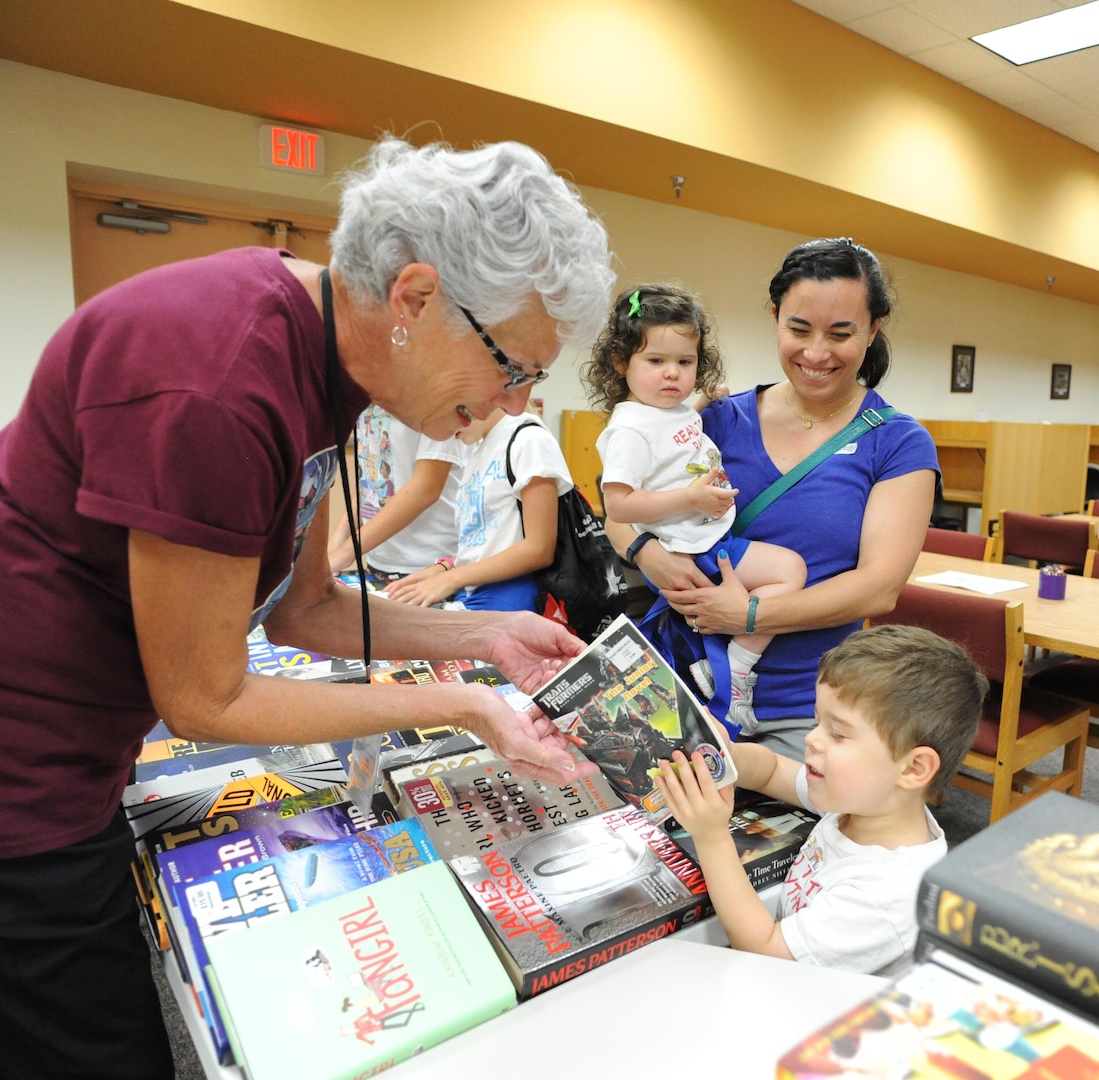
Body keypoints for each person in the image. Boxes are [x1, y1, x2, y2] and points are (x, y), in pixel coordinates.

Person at [0, 135, 613, 1079]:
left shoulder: (333, 361)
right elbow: (208, 701)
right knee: (75, 1048)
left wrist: (484, 636)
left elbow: (299, 609)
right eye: (512, 363)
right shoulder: (222, 374)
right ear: (417, 299)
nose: (514, 400)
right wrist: (464, 702)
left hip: (74, 733)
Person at [606, 238, 938, 760]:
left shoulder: (898, 442)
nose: (816, 352)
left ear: (874, 329)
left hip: (809, 708)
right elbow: (621, 512)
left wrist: (750, 617)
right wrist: (651, 556)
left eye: (842, 333)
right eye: (799, 329)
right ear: (775, 316)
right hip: (686, 683)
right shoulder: (715, 417)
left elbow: (878, 588)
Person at [656, 624, 985, 974]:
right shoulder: (860, 804)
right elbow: (772, 772)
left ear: (913, 768)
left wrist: (711, 837)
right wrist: (727, 756)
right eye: (817, 721)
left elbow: (765, 951)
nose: (812, 739)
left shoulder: (886, 893)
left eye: (838, 733)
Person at [583, 283, 806, 730]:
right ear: (620, 362)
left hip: (705, 535)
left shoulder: (667, 410)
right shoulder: (629, 431)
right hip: (691, 547)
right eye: (656, 361)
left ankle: (718, 664)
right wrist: (691, 498)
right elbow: (619, 505)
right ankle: (738, 666)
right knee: (790, 571)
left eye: (685, 363)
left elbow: (677, 437)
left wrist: (702, 402)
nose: (672, 374)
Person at [382, 405, 571, 611]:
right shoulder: (479, 448)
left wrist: (451, 579)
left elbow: (539, 549)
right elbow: (490, 542)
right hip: (474, 588)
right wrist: (445, 568)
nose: (440, 432)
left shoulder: (529, 439)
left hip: (512, 596)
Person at [326, 404, 466, 586]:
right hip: (378, 560)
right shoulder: (367, 402)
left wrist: (345, 553)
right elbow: (371, 477)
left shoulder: (434, 401)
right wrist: (339, 538)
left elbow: (426, 489)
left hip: (429, 564)